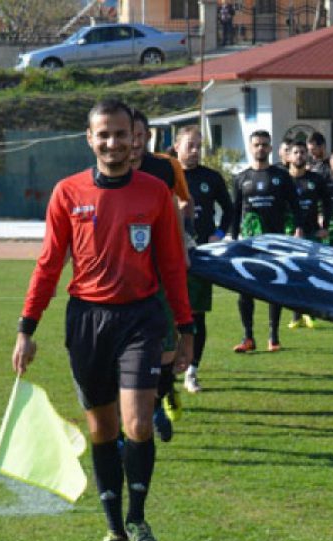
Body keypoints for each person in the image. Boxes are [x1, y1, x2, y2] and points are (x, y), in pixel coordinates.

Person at [12, 99, 194, 541]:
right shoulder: (68, 193)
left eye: (121, 134)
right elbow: (50, 264)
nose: (113, 142)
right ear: (89, 139)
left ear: (135, 139)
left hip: (139, 320)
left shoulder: (155, 193)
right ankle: (114, 531)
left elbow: (173, 266)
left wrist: (185, 328)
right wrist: (27, 328)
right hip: (88, 321)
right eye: (104, 134)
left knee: (137, 424)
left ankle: (138, 520)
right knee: (103, 429)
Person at [131, 109, 191, 441]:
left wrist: (181, 248)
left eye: (141, 136)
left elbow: (182, 205)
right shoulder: (111, 171)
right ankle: (136, 418)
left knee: (166, 351)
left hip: (161, 270)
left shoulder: (166, 169)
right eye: (131, 135)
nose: (135, 142)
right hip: (127, 278)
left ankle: (162, 394)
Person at [175, 125, 235, 393]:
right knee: (166, 316)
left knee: (195, 317)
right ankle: (163, 369)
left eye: (199, 145)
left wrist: (219, 233)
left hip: (199, 256)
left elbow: (230, 210)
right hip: (168, 256)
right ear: (177, 146)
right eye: (190, 145)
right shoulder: (163, 175)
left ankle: (192, 371)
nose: (196, 150)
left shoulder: (210, 177)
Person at [231, 129, 301, 352]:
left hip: (276, 243)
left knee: (275, 288)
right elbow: (235, 212)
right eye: (256, 144)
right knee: (244, 291)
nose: (260, 148)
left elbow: (295, 205)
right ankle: (248, 337)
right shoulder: (240, 178)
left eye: (264, 144)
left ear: (271, 148)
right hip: (249, 244)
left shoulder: (281, 177)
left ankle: (274, 336)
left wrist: (298, 228)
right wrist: (233, 239)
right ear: (250, 148)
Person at [286, 140, 332, 329]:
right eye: (296, 152)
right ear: (289, 156)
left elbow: (327, 203)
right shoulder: (282, 179)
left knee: (310, 272)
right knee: (293, 273)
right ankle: (297, 314)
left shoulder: (316, 180)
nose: (300, 156)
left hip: (312, 232)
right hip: (289, 234)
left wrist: (325, 225)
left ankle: (308, 312)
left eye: (303, 152)